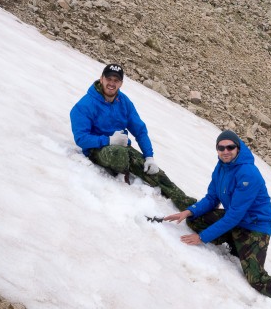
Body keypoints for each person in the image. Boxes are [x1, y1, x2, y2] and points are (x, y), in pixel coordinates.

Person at [164, 130, 271, 309]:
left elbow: (234, 216)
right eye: (221, 148)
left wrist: (202, 238)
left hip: (255, 226)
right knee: (196, 220)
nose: (226, 151)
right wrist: (189, 211)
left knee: (254, 276)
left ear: (238, 148)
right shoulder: (221, 167)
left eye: (230, 147)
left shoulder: (248, 173)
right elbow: (212, 198)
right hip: (236, 219)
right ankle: (234, 241)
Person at [70, 63, 195, 211]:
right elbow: (81, 139)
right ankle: (119, 173)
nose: (112, 83)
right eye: (108, 79)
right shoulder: (84, 105)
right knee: (120, 154)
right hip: (96, 149)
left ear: (121, 83)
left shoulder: (124, 102)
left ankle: (188, 205)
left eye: (116, 80)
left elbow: (140, 130)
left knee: (155, 172)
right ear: (101, 79)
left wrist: (149, 157)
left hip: (122, 147)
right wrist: (108, 140)